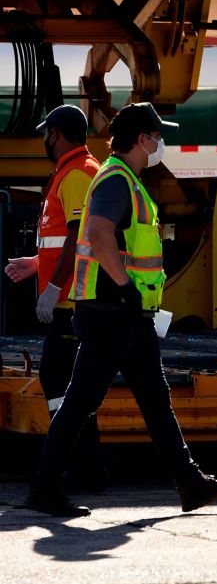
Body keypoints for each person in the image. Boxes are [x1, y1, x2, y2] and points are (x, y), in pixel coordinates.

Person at [21, 103, 217, 517]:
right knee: (81, 399)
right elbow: (97, 234)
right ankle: (44, 488)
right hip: (111, 311)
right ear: (142, 139)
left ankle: (189, 482)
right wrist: (124, 287)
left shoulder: (129, 182)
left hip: (129, 313)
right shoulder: (115, 181)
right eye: (158, 136)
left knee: (154, 400)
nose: (161, 143)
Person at [4, 105, 106, 491]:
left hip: (73, 301)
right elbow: (62, 240)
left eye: (47, 133)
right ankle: (83, 465)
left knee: (61, 381)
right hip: (72, 298)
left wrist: (51, 289)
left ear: (57, 134)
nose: (44, 139)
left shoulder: (78, 174)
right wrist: (36, 263)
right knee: (70, 384)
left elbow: (80, 238)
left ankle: (80, 466)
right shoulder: (71, 171)